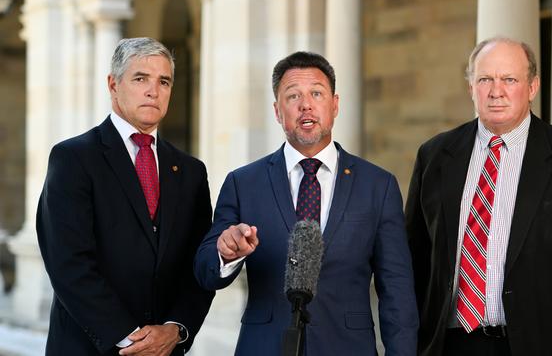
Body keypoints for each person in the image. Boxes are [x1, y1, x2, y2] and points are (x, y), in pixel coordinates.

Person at [194, 51, 418, 355]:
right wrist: (225, 253)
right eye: (293, 96)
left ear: (335, 105)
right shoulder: (243, 183)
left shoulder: (378, 185)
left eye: (316, 93)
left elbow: (397, 289)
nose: (306, 105)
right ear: (277, 110)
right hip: (264, 347)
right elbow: (205, 269)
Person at [405, 37, 552, 356]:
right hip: (449, 345)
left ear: (532, 87)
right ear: (471, 87)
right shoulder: (434, 157)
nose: (496, 91)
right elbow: (413, 263)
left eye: (509, 79)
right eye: (485, 79)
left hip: (539, 345)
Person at [36, 37, 214, 356]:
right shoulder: (73, 158)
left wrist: (175, 329)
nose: (153, 90)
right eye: (140, 78)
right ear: (113, 84)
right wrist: (130, 338)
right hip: (88, 347)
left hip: (165, 350)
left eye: (164, 81)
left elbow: (198, 264)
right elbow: (68, 263)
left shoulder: (190, 171)